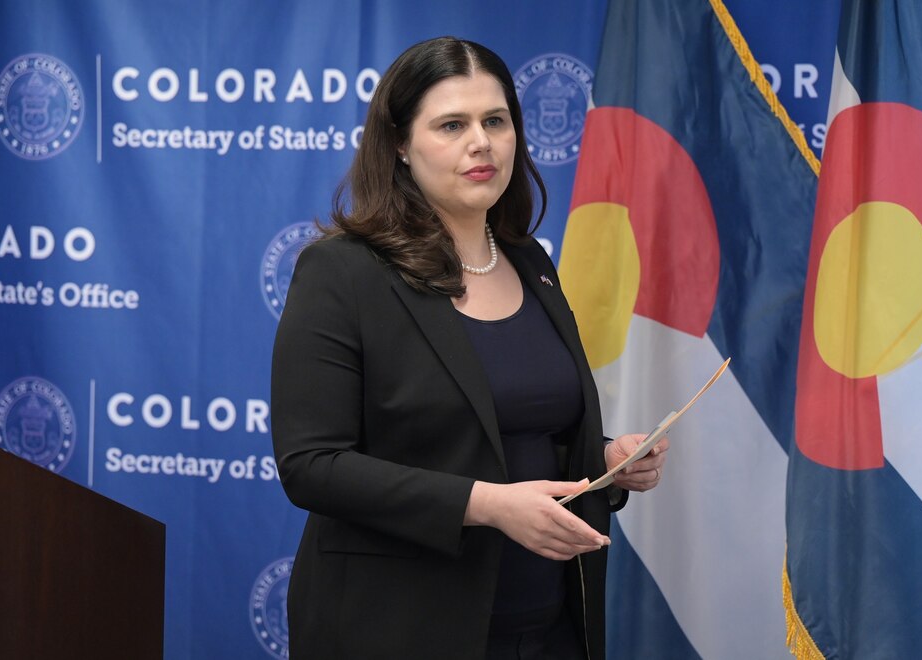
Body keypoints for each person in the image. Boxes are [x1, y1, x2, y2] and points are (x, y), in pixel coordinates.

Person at [271, 36, 668, 660]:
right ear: (400, 144)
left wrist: (608, 461)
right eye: (452, 124)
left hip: (549, 628)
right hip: (399, 630)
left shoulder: (529, 260)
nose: (480, 142)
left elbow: (521, 431)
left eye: (496, 121)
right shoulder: (342, 272)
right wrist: (488, 506)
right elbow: (311, 464)